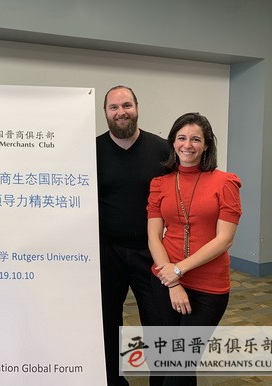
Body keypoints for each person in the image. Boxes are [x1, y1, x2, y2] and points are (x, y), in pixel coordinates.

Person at [147, 112, 242, 385]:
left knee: (181, 364)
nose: (187, 145)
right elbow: (154, 236)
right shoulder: (160, 183)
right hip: (165, 282)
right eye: (182, 138)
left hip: (208, 286)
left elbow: (225, 239)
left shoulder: (225, 182)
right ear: (173, 142)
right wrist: (172, 281)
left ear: (206, 144)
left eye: (196, 139)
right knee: (167, 360)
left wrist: (178, 270)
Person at [96, 85, 169, 386]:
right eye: (114, 107)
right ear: (105, 113)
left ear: (137, 107)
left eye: (126, 105)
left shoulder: (162, 149)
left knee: (158, 323)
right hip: (106, 252)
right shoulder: (92, 150)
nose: (121, 112)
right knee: (107, 323)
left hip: (151, 253)